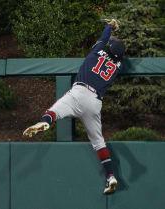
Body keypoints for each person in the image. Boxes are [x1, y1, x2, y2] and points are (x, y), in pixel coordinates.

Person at [23, 19, 125, 195]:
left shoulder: (98, 50)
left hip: (79, 92)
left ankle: (46, 122)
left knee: (52, 112)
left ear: (108, 47)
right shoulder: (118, 65)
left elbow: (104, 37)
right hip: (95, 102)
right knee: (98, 142)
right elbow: (115, 51)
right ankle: (110, 176)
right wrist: (116, 47)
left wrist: (110, 26)